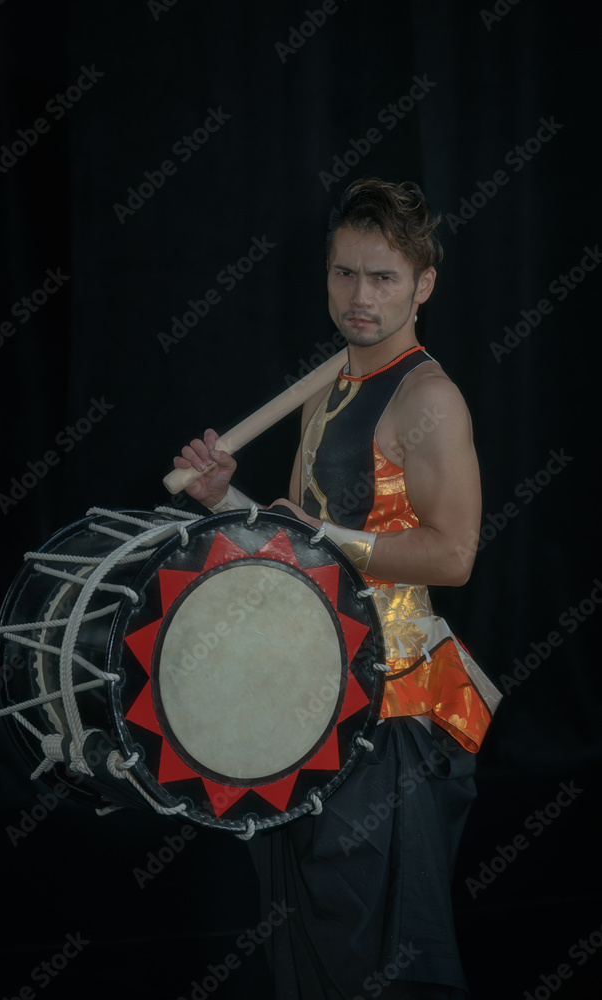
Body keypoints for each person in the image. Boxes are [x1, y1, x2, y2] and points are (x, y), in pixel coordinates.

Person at [173, 178, 501, 999]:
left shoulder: (429, 400)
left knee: (388, 947)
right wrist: (226, 502)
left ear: (423, 284)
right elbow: (298, 534)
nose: (360, 297)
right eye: (345, 274)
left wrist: (328, 536)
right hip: (312, 691)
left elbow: (453, 554)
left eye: (383, 277)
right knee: (312, 928)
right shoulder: (326, 386)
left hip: (394, 703)